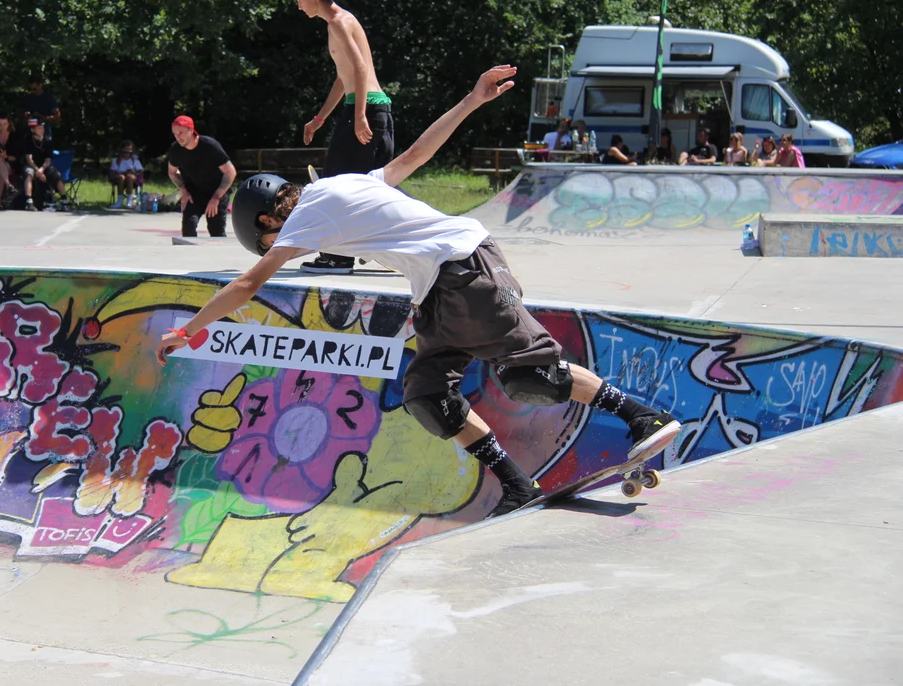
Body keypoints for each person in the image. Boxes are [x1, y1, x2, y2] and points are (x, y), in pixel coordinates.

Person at [155, 66, 680, 518]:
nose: (280, 246)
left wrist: (187, 330)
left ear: (269, 219)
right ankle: (519, 486)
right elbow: (415, 154)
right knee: (428, 395)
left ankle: (641, 415)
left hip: (465, 270)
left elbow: (248, 284)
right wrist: (472, 100)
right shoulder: (346, 184)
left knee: (531, 376)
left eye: (269, 239)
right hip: (438, 290)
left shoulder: (307, 215)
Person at [294, 0, 394, 275]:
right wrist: (319, 118)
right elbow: (344, 77)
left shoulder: (337, 23)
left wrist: (360, 114)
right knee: (376, 186)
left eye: (299, 0)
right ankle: (397, 250)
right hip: (374, 109)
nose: (298, 7)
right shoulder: (340, 20)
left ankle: (337, 257)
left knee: (335, 185)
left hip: (365, 111)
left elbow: (361, 69)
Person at [167, 115, 236, 237]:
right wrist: (183, 191)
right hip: (194, 193)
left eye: (181, 133)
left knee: (216, 230)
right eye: (175, 134)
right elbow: (172, 172)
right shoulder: (176, 149)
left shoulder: (210, 146)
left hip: (217, 192)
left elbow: (230, 172)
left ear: (190, 131)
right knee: (189, 226)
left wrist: (216, 198)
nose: (178, 137)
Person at [20, 116, 70, 212]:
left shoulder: (47, 141)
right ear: (33, 129)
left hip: (43, 166)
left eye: (42, 128)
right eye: (39, 128)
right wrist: (36, 170)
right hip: (31, 165)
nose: (42, 130)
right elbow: (29, 159)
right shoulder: (27, 140)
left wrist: (41, 169)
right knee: (29, 173)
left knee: (56, 174)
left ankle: (64, 200)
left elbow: (48, 159)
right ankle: (28, 201)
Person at [20, 75, 61, 140]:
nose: (32, 91)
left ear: (40, 86)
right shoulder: (27, 98)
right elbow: (23, 118)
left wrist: (41, 116)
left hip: (45, 132)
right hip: (31, 132)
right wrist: (26, 116)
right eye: (30, 89)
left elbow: (57, 118)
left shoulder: (49, 98)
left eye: (34, 89)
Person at [108, 140, 144, 209]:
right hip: (119, 178)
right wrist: (122, 173)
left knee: (129, 177)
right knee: (121, 177)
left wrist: (132, 172)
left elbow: (140, 173)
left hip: (132, 178)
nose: (126, 154)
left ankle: (129, 201)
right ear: (121, 151)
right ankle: (119, 202)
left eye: (129, 152)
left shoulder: (135, 160)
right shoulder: (116, 161)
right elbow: (112, 173)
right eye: (125, 152)